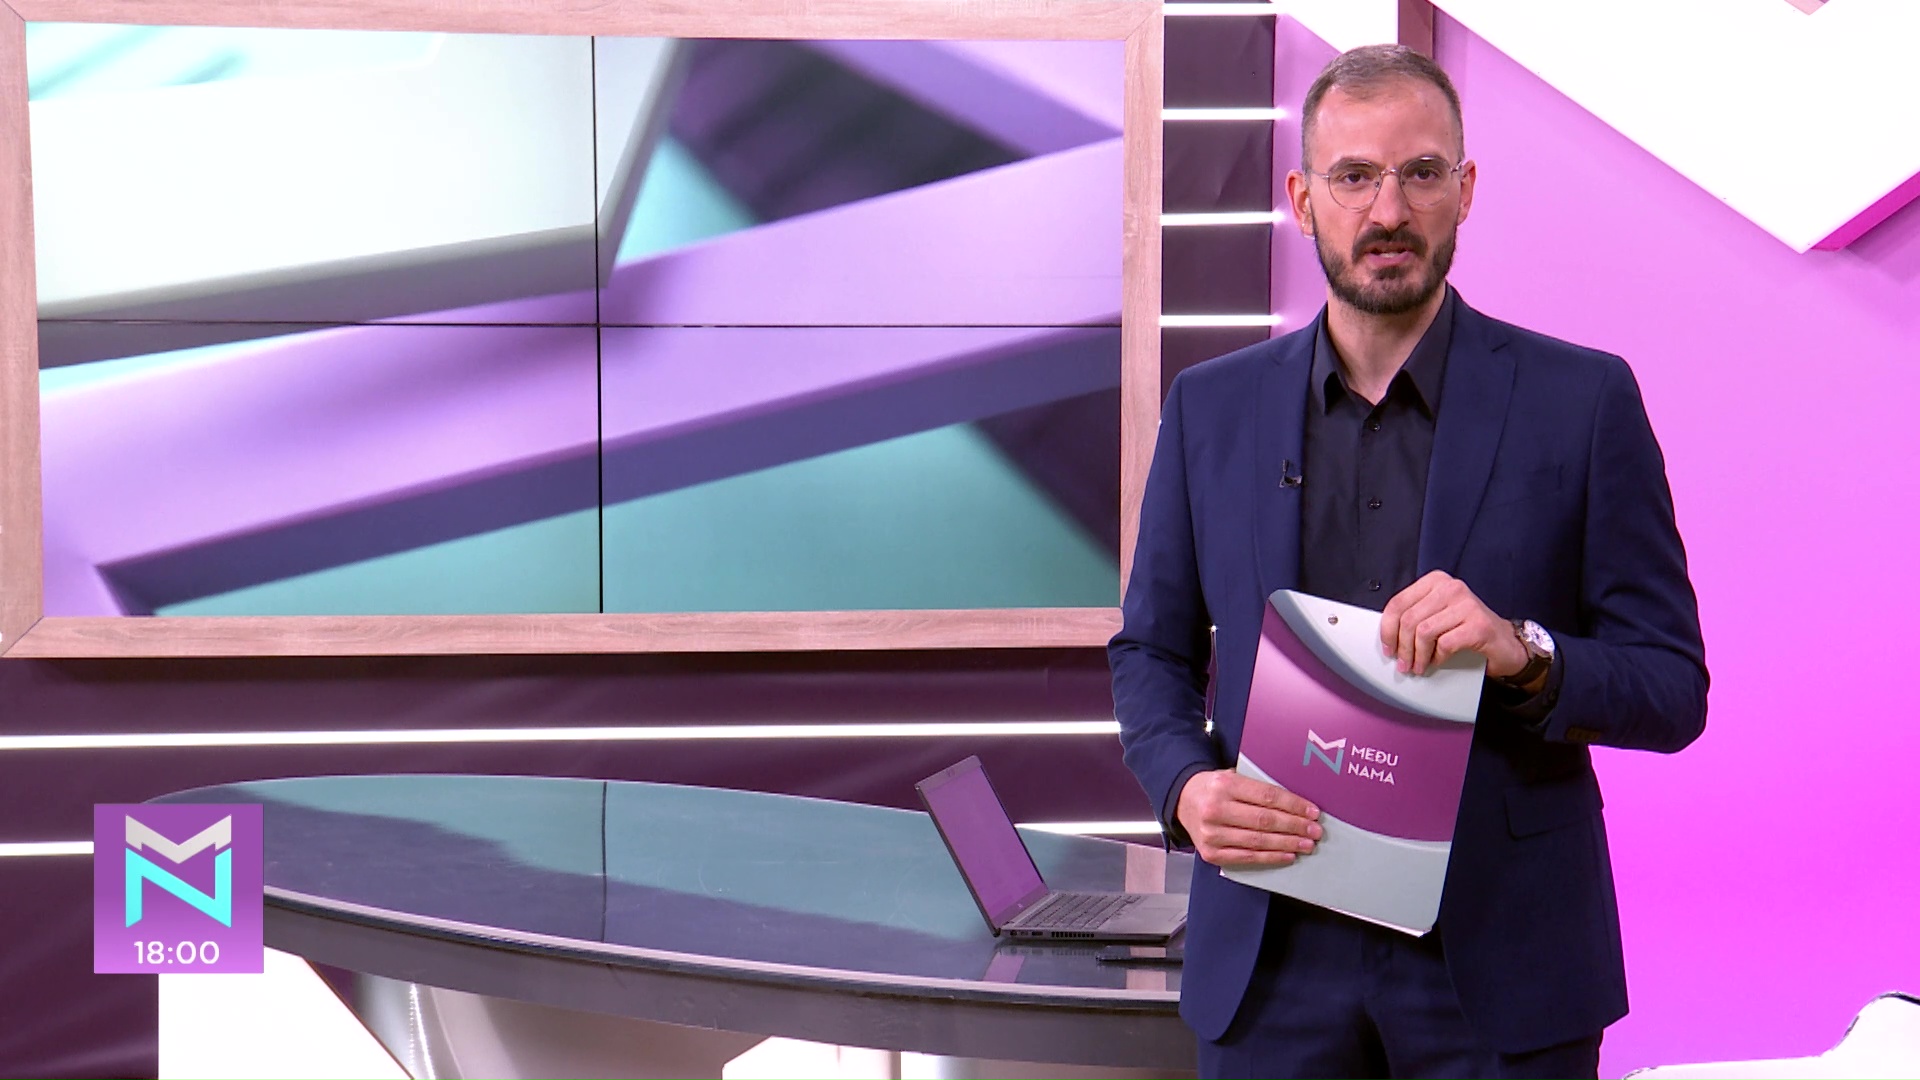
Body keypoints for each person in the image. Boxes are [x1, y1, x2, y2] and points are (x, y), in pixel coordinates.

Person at [1109, 44, 1707, 1080]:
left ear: (1465, 190)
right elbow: (1149, 652)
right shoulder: (1211, 408)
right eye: (1353, 176)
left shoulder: (1584, 402)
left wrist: (1523, 652)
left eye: (1421, 172)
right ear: (1302, 199)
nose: (1388, 210)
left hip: (1503, 965)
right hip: (1270, 960)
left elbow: (1672, 686)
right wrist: (1185, 788)